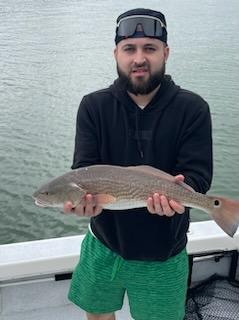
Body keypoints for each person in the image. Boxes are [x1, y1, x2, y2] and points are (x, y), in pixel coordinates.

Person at [65, 8, 213, 320]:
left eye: (150, 48)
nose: (139, 59)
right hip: (103, 245)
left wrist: (184, 198)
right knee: (98, 314)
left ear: (166, 53)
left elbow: (198, 175)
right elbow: (84, 168)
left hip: (164, 254)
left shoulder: (193, 109)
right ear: (116, 53)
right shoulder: (94, 106)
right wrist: (85, 204)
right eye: (129, 48)